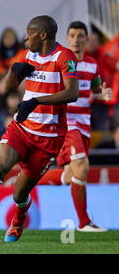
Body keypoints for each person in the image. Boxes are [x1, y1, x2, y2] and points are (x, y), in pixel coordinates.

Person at [0, 15, 79, 244]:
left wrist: (36, 101)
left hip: (49, 137)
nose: (25, 38)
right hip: (21, 128)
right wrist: (14, 71)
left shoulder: (65, 57)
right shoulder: (27, 55)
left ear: (42, 35)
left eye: (29, 33)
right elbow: (6, 87)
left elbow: (72, 93)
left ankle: (18, 219)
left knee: (19, 194)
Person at [38, 21, 111, 232]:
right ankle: (84, 222)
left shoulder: (92, 65)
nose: (77, 39)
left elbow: (94, 92)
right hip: (67, 125)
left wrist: (101, 95)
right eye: (72, 35)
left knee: (70, 175)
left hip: (84, 126)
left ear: (87, 40)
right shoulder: (60, 63)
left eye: (81, 36)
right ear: (67, 39)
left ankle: (29, 181)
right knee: (83, 166)